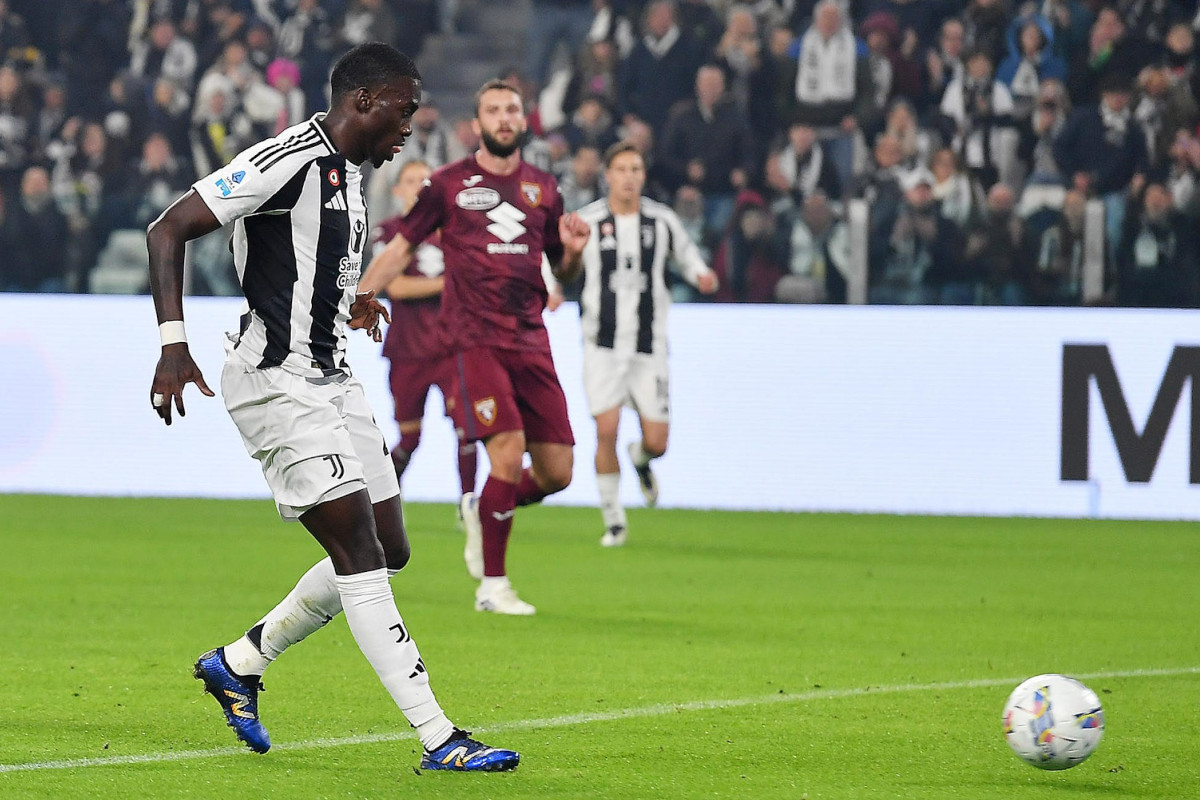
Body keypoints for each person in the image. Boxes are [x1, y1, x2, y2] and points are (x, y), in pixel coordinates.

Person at [146, 42, 519, 772]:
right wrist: (171, 344)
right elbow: (168, 228)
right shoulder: (285, 158)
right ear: (364, 102)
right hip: (275, 383)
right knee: (360, 556)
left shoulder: (350, 172)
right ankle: (440, 737)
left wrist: (352, 300)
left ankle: (241, 661)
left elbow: (302, 262)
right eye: (404, 111)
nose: (409, 127)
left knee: (390, 546)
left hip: (333, 378)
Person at [360, 79, 590, 615]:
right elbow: (400, 247)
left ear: (524, 119)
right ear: (478, 124)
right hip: (473, 340)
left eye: (513, 108)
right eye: (494, 110)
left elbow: (562, 269)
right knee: (506, 453)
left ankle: (483, 511)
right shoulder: (447, 184)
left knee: (558, 472)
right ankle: (493, 585)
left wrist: (574, 253)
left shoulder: (544, 188)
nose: (505, 118)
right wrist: (361, 295)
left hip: (531, 339)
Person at [575, 142, 717, 546]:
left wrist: (701, 275)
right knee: (606, 431)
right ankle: (614, 520)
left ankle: (641, 460)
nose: (629, 176)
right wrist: (550, 289)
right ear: (608, 175)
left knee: (658, 442)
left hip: (648, 347)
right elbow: (556, 261)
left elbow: (687, 256)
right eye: (621, 169)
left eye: (635, 169)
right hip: (601, 346)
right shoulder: (588, 221)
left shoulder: (661, 220)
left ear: (643, 175)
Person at [370, 159, 479, 506]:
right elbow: (396, 287)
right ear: (397, 190)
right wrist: (448, 282)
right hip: (407, 348)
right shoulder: (387, 234)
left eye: (425, 180)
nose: (419, 186)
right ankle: (383, 505)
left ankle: (469, 505)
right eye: (411, 180)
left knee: (467, 428)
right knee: (409, 438)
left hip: (451, 347)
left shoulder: (455, 232)